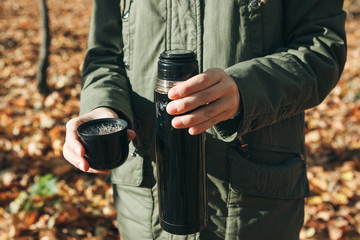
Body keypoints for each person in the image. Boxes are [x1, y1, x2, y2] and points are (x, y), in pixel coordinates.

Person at [63, 0, 347, 239]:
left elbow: (322, 47)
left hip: (256, 206)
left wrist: (245, 89)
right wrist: (103, 108)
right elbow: (104, 55)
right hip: (143, 205)